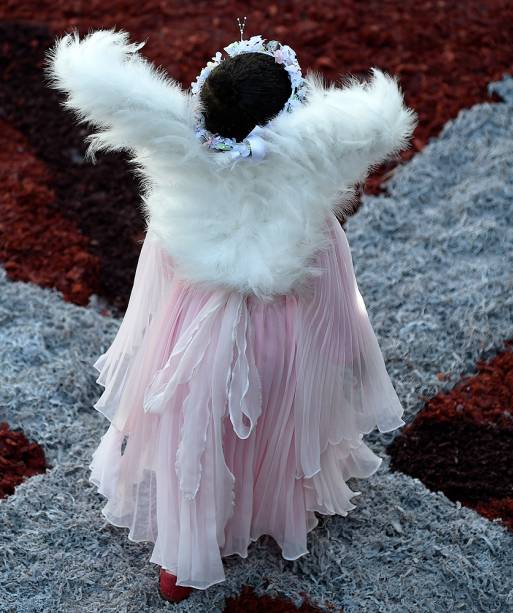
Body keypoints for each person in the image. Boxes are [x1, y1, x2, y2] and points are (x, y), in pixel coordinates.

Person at [46, 25, 417, 603]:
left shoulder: (181, 185)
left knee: (195, 437)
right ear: (297, 123)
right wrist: (343, 365)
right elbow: (335, 304)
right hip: (281, 342)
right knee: (273, 426)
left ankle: (182, 559)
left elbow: (156, 285)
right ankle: (269, 508)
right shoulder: (311, 219)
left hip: (196, 341)